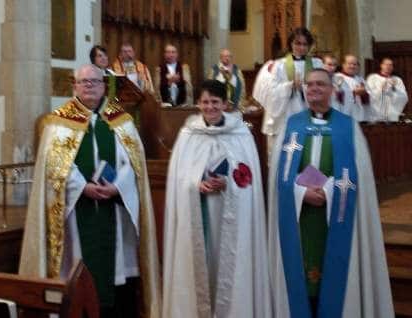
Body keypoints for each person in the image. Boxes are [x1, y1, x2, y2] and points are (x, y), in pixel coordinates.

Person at [19, 64, 161, 318]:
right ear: (74, 86)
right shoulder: (58, 122)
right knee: (77, 270)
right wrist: (82, 186)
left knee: (117, 280)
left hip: (114, 211)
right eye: (83, 82)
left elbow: (134, 163)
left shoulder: (122, 121)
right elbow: (55, 166)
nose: (89, 86)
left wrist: (117, 186)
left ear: (104, 86)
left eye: (94, 82)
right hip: (76, 213)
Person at [267, 68, 394, 318]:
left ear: (331, 90)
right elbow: (278, 178)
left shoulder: (348, 128)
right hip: (299, 219)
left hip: (335, 215)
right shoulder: (291, 126)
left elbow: (359, 176)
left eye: (320, 84)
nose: (314, 88)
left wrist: (328, 192)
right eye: (309, 84)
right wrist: (301, 193)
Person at [163, 80, 272, 318]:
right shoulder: (188, 134)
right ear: (198, 104)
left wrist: (229, 183)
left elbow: (250, 181)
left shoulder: (241, 134)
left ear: (225, 104)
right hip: (198, 215)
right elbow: (178, 179)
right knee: (200, 268)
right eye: (205, 102)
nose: (209, 107)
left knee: (229, 267)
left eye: (215, 102)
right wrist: (195, 183)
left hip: (230, 216)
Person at [253, 27, 323, 136]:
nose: (301, 47)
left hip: (309, 110)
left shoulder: (317, 64)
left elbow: (323, 87)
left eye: (305, 44)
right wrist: (289, 86)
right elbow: (272, 91)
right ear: (291, 44)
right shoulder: (279, 64)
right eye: (298, 43)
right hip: (286, 112)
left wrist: (305, 88)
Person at [367, 57, 408, 121]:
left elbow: (404, 97)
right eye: (386, 64)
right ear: (381, 65)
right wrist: (381, 89)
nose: (388, 67)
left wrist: (394, 89)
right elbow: (368, 95)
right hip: (376, 114)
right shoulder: (373, 78)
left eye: (390, 65)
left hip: (392, 115)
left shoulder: (397, 80)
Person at [334, 54, 373, 121]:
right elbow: (335, 96)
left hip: (360, 116)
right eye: (349, 64)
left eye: (355, 64)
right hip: (344, 114)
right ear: (343, 65)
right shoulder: (336, 77)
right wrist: (353, 93)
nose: (352, 66)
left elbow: (370, 98)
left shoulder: (361, 79)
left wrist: (364, 94)